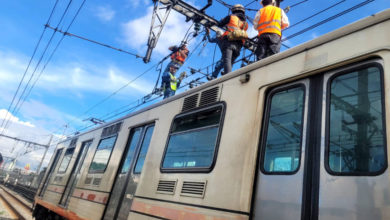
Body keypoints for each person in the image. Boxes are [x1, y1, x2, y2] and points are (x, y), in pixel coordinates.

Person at [218, 4, 248, 75]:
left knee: (227, 60)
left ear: (234, 10)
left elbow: (220, 24)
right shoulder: (245, 24)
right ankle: (228, 74)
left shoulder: (231, 17)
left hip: (229, 41)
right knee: (231, 62)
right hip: (239, 46)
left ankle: (227, 76)